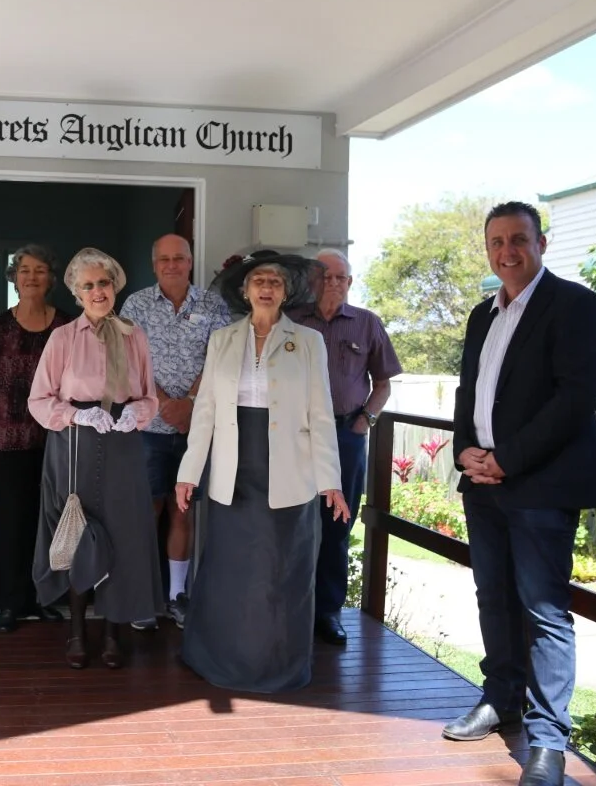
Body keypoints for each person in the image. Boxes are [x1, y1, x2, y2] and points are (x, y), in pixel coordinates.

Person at [443, 202, 596, 786]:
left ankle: (546, 742)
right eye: (496, 241)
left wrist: (506, 460)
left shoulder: (578, 306)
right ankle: (500, 698)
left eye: (518, 239)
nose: (506, 251)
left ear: (542, 242)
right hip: (484, 482)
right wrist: (466, 448)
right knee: (493, 597)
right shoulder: (481, 315)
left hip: (540, 484)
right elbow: (470, 392)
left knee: (543, 611)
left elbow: (574, 399)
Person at [175, 250, 349, 693]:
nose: (266, 287)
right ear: (245, 290)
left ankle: (278, 666)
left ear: (286, 291)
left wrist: (330, 481)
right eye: (258, 281)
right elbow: (207, 411)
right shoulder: (224, 340)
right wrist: (189, 471)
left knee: (280, 571)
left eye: (274, 281)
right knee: (229, 570)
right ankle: (218, 657)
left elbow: (322, 415)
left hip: (289, 471)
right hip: (234, 469)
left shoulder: (309, 342)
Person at [28, 247, 164, 669]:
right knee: (77, 536)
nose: (97, 291)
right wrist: (78, 415)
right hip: (74, 445)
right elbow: (39, 400)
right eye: (87, 285)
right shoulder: (63, 338)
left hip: (122, 443)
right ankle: (75, 632)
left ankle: (111, 632)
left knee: (122, 535)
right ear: (76, 292)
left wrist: (137, 416)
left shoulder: (133, 335)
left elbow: (149, 396)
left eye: (103, 283)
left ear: (114, 286)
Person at [287, 248, 402, 644]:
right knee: (295, 521)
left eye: (341, 277)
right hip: (296, 436)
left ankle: (328, 612)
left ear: (350, 283)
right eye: (325, 275)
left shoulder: (367, 323)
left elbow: (383, 383)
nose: (333, 283)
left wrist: (363, 422)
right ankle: (291, 608)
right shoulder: (294, 320)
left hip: (345, 437)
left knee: (338, 526)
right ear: (312, 280)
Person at [120, 234, 231, 630]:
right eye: (164, 259)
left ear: (190, 261)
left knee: (181, 511)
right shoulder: (135, 304)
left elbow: (221, 358)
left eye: (179, 258)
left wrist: (189, 403)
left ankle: (175, 597)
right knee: (146, 511)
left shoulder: (213, 304)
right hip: (149, 426)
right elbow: (130, 362)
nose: (171, 264)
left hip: (196, 428)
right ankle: (143, 598)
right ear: (154, 264)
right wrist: (167, 402)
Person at [0, 244, 69, 632]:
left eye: (40, 270)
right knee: (13, 522)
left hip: (55, 440)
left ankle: (42, 598)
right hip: (8, 440)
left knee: (49, 522)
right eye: (24, 270)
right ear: (14, 278)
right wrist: (4, 415)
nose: (31, 276)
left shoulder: (66, 325)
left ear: (52, 279)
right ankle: (11, 603)